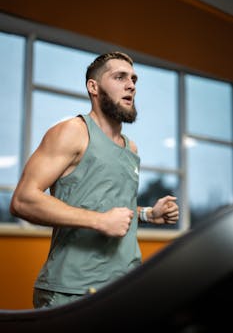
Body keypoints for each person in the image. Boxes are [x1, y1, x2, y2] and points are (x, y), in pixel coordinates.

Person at [10, 51, 179, 309]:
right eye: (119, 77)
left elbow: (108, 206)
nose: (131, 85)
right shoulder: (73, 132)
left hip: (125, 285)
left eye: (133, 79)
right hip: (73, 290)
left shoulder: (130, 149)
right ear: (93, 87)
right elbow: (23, 200)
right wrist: (100, 221)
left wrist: (148, 214)